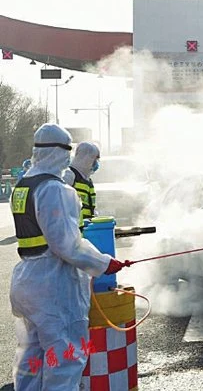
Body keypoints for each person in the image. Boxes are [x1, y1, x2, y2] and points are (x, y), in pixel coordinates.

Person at [10, 124, 127, 390]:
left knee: (33, 360)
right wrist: (105, 263)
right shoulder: (54, 189)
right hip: (53, 286)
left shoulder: (24, 185)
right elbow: (68, 246)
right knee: (65, 361)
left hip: (27, 280)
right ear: (61, 151)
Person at [63, 141, 100, 223]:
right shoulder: (69, 175)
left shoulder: (88, 181)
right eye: (95, 159)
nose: (96, 163)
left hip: (86, 229)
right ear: (86, 158)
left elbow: (91, 207)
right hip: (74, 229)